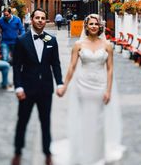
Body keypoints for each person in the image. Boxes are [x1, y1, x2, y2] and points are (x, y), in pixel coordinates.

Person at [54, 14, 125, 165]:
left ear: (100, 27)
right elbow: (72, 67)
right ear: (86, 26)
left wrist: (108, 90)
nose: (93, 26)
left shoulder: (107, 46)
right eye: (91, 24)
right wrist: (64, 86)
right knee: (84, 119)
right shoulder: (78, 45)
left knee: (99, 120)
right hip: (83, 85)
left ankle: (98, 155)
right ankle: (83, 152)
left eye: (96, 24)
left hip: (100, 85)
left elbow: (110, 69)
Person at [11, 9, 64, 165]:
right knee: (23, 121)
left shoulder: (51, 40)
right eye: (37, 18)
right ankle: (18, 151)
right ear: (32, 20)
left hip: (46, 88)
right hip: (27, 89)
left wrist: (60, 83)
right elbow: (16, 66)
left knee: (45, 121)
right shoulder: (21, 40)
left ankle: (47, 152)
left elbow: (56, 64)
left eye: (43, 18)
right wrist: (18, 87)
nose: (40, 20)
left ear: (45, 21)